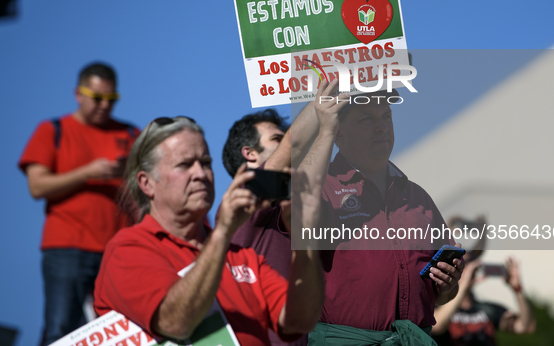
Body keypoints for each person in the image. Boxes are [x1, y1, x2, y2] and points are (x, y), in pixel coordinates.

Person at [94, 116, 325, 346]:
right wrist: (223, 233)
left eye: (205, 163)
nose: (201, 174)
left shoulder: (242, 257)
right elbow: (175, 322)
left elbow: (298, 322)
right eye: (184, 165)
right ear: (147, 183)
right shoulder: (128, 248)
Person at [296, 80, 464, 345]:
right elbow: (296, 204)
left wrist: (448, 286)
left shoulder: (419, 197)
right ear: (338, 133)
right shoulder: (324, 189)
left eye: (386, 116)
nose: (382, 126)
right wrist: (322, 133)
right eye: (367, 119)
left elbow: (442, 295)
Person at [18, 62, 139, 346]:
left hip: (118, 248)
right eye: (97, 98)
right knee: (61, 328)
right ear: (78, 94)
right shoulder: (53, 130)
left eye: (111, 100)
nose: (104, 106)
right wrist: (88, 172)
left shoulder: (131, 134)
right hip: (67, 247)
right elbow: (37, 186)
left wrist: (130, 172)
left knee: (123, 329)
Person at [221, 107, 319, 346]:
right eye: (278, 139)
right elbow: (294, 146)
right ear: (250, 154)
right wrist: (329, 90)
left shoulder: (294, 203)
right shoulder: (242, 201)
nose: (285, 142)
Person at [431, 218, 536, 345]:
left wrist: (518, 289)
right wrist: (462, 286)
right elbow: (437, 326)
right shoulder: (437, 306)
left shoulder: (485, 310)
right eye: (462, 263)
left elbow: (525, 327)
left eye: (470, 263)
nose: (467, 268)